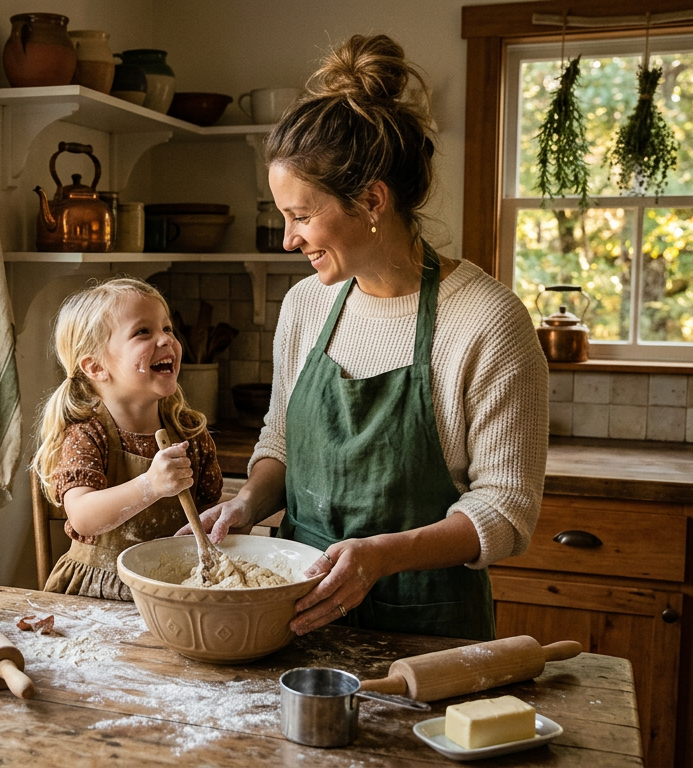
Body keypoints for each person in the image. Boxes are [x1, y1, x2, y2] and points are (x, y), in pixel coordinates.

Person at [186, 35, 547, 640]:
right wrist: (247, 504)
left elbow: (507, 511)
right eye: (283, 217)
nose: (287, 240)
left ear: (373, 200)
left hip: (426, 634)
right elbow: (279, 442)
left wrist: (381, 556)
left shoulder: (487, 322)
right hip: (296, 616)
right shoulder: (305, 305)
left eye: (302, 216)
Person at [33, 277, 223, 600]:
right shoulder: (87, 434)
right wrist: (150, 485)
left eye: (167, 329)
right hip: (99, 594)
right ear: (95, 367)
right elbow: (82, 516)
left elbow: (209, 520)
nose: (166, 340)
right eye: (143, 332)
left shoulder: (189, 432)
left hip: (173, 588)